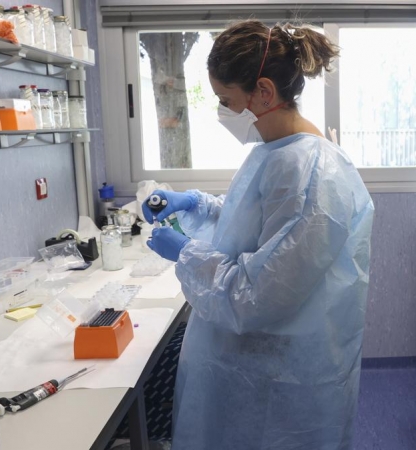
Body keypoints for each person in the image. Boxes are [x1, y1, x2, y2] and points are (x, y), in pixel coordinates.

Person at [143, 20, 375, 450]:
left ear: (264, 93)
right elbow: (253, 229)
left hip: (282, 377)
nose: (222, 111)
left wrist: (187, 255)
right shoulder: (275, 151)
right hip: (254, 363)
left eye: (225, 100)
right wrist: (197, 204)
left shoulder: (314, 174)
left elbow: (256, 294)